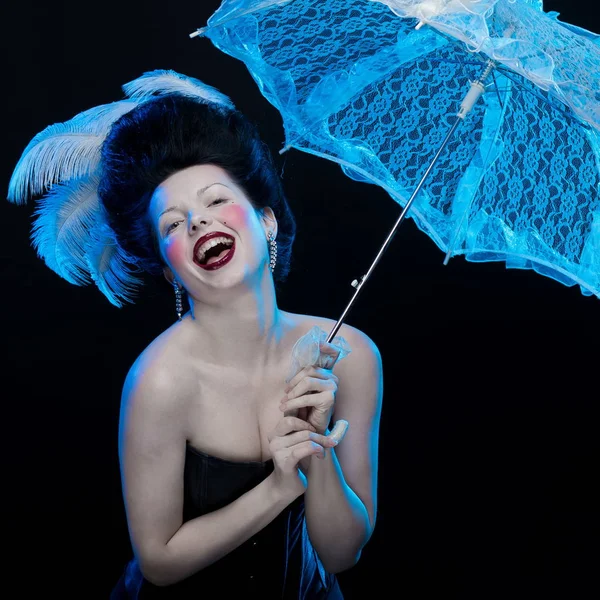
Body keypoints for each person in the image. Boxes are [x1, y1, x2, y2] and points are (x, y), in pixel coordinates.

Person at [8, 70, 383, 598]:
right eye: (173, 224)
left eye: (215, 201)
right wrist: (278, 487)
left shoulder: (350, 355)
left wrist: (316, 451)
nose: (198, 224)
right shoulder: (159, 381)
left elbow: (341, 554)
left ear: (267, 220)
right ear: (169, 268)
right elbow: (158, 561)